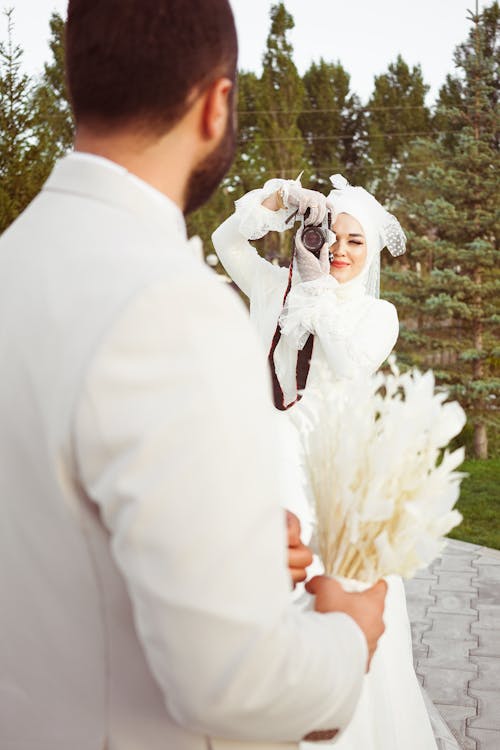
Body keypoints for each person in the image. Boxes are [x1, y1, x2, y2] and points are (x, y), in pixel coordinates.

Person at [0, 2, 390, 749]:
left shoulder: (12, 263)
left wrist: (225, 545)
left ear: (75, 83)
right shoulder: (171, 308)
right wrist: (348, 635)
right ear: (216, 105)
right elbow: (234, 684)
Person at [213, 177, 459, 750]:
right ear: (312, 235)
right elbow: (227, 242)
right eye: (329, 237)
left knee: (336, 594)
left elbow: (347, 364)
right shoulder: (275, 287)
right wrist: (276, 200)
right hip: (261, 466)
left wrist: (317, 291)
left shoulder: (378, 314)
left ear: (370, 254)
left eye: (354, 242)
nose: (338, 252)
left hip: (331, 479)